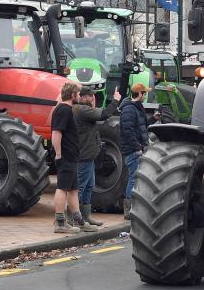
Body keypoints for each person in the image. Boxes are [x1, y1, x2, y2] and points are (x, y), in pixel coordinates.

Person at [51, 82, 97, 234]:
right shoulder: (63, 110)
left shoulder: (67, 110)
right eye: (77, 94)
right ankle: (60, 223)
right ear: (72, 95)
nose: (79, 96)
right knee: (62, 188)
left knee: (73, 190)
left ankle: (80, 221)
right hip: (65, 156)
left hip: (72, 156)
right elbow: (56, 133)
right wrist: (58, 154)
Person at [73, 87, 116, 227]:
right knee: (80, 186)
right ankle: (74, 218)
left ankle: (85, 217)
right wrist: (115, 100)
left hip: (88, 156)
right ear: (83, 97)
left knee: (89, 185)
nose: (93, 98)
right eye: (91, 96)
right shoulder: (82, 110)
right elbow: (105, 114)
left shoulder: (83, 110)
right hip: (84, 155)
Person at [119, 83, 157, 220]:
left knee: (136, 178)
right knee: (133, 178)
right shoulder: (129, 109)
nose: (145, 96)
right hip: (133, 150)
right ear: (139, 94)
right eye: (144, 93)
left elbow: (141, 126)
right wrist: (137, 147)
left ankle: (134, 208)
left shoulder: (137, 107)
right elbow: (127, 131)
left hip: (138, 148)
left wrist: (153, 119)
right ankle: (129, 210)